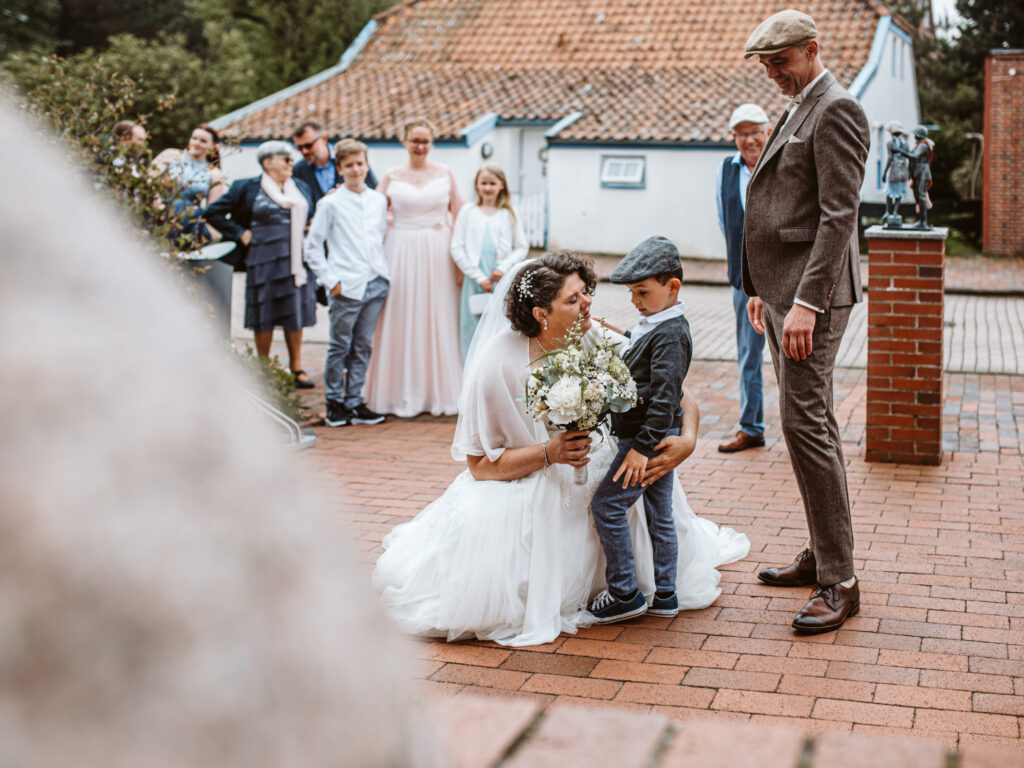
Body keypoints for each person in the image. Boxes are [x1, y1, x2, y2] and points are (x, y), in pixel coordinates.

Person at [372, 252, 749, 647]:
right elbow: (480, 465)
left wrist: (687, 438)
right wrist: (549, 453)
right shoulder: (497, 365)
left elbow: (676, 393)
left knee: (632, 486)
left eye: (586, 292)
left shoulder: (595, 334)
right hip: (531, 477)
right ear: (540, 313)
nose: (588, 303)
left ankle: (638, 590)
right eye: (573, 300)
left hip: (600, 463)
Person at [741, 10, 869, 634]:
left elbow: (837, 217)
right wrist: (757, 287)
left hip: (811, 302)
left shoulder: (838, 108)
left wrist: (808, 303)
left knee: (805, 424)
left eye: (780, 63)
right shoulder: (799, 103)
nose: (772, 75)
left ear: (812, 49)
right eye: (764, 66)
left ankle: (840, 580)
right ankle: (824, 552)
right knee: (805, 425)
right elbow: (774, 200)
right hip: (782, 295)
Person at [587, 236, 693, 624]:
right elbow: (642, 350)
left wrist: (640, 450)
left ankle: (624, 593)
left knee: (607, 506)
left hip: (644, 440)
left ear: (672, 287)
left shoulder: (671, 334)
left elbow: (666, 396)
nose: (635, 301)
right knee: (658, 514)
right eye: (632, 292)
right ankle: (665, 594)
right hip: (654, 439)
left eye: (642, 292)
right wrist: (617, 332)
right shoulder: (658, 324)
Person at [363, 118, 466, 417]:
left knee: (438, 315)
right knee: (400, 313)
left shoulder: (445, 173)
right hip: (400, 250)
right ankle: (397, 391)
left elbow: (460, 215)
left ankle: (438, 391)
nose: (420, 146)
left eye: (425, 141)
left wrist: (460, 261)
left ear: (431, 143)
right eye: (414, 140)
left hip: (438, 250)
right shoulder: (391, 175)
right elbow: (370, 208)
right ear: (404, 141)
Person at [204, 141, 318, 387]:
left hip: (297, 259)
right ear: (267, 162)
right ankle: (263, 367)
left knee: (294, 310)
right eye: (285, 159)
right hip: (263, 258)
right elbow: (212, 213)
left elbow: (313, 214)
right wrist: (240, 233)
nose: (291, 163)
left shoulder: (300, 187)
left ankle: (296, 367)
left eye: (291, 159)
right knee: (263, 311)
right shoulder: (246, 187)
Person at [303, 139, 389, 427]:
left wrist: (383, 273)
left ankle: (354, 400)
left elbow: (378, 238)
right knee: (340, 345)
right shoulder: (329, 203)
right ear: (339, 168)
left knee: (363, 345)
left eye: (360, 164)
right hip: (346, 283)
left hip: (376, 281)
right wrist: (330, 280)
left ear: (367, 165)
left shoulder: (378, 200)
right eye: (349, 165)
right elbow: (312, 246)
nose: (355, 169)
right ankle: (334, 401)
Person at [716, 103, 770, 454]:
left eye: (755, 132)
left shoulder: (779, 163)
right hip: (743, 281)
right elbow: (725, 219)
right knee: (748, 355)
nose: (749, 140)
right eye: (742, 133)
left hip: (783, 282)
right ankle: (752, 427)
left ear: (768, 132)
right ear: (734, 137)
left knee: (794, 357)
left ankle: (807, 432)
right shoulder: (727, 167)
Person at [451, 162, 528, 360]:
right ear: (476, 185)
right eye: (483, 183)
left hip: (500, 279)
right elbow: (456, 247)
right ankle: (471, 368)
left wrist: (503, 268)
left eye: (492, 183)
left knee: (500, 323)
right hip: (475, 279)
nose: (487, 188)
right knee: (472, 323)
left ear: (501, 185)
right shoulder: (468, 212)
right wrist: (477, 276)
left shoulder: (509, 213)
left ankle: (496, 365)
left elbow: (521, 246)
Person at [154, 124, 226, 245]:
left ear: (213, 146)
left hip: (187, 224)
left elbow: (212, 211)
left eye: (203, 141)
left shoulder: (214, 173)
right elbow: (149, 182)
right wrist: (159, 208)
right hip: (158, 214)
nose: (196, 143)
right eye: (194, 138)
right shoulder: (170, 155)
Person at [292, 121, 378, 205]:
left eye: (308, 145)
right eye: (299, 147)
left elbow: (374, 191)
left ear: (324, 139)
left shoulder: (350, 159)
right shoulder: (297, 171)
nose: (304, 151)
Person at [900, 125, 934, 229]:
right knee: (918, 197)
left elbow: (914, 156)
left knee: (921, 197)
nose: (914, 136)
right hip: (918, 175)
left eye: (915, 134)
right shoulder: (919, 145)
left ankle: (923, 222)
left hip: (923, 174)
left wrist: (901, 152)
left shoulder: (923, 145)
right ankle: (920, 220)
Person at [881, 120, 911, 224]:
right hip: (903, 170)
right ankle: (895, 212)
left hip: (894, 169)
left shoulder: (890, 143)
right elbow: (908, 159)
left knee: (889, 192)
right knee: (899, 192)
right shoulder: (905, 144)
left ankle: (888, 212)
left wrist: (884, 172)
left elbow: (889, 158)